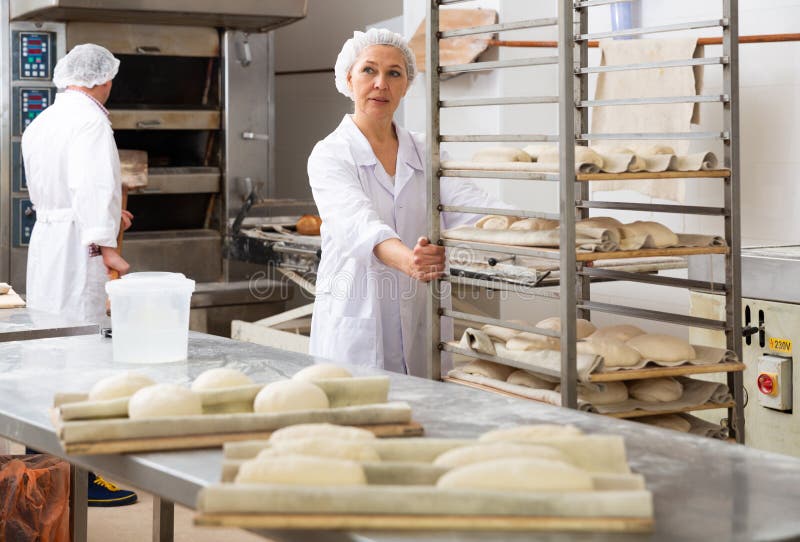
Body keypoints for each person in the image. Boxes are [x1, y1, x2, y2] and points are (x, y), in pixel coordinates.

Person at [308, 28, 508, 377]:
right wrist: (410, 260)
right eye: (369, 70)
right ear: (348, 77)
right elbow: (357, 224)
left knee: (427, 419)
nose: (381, 83)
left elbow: (478, 211)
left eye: (394, 73)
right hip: (357, 321)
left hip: (421, 318)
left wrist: (554, 238)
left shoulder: (426, 152)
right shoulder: (330, 155)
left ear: (407, 84)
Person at [22, 43, 137, 507]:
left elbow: (63, 192)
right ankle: (84, 477)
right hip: (79, 252)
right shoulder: (90, 119)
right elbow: (92, 184)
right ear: (102, 79)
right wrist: (106, 245)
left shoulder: (43, 121)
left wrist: (107, 220)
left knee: (47, 352)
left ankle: (41, 465)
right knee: (83, 355)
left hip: (49, 241)